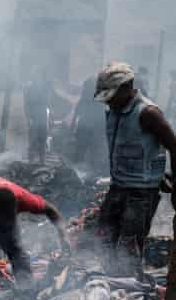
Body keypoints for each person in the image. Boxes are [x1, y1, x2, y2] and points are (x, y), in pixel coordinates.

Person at [94, 61, 176, 281]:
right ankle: (111, 279)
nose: (109, 100)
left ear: (126, 86)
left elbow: (173, 145)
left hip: (141, 193)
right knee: (104, 235)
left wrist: (168, 177)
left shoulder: (148, 112)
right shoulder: (113, 110)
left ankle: (129, 286)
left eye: (111, 94)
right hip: (118, 186)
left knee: (128, 245)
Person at [70, 76, 107, 173]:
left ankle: (79, 171)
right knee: (92, 152)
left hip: (87, 129)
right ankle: (89, 172)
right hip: (93, 129)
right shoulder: (100, 97)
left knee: (82, 151)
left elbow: (77, 113)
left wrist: (72, 127)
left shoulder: (87, 97)